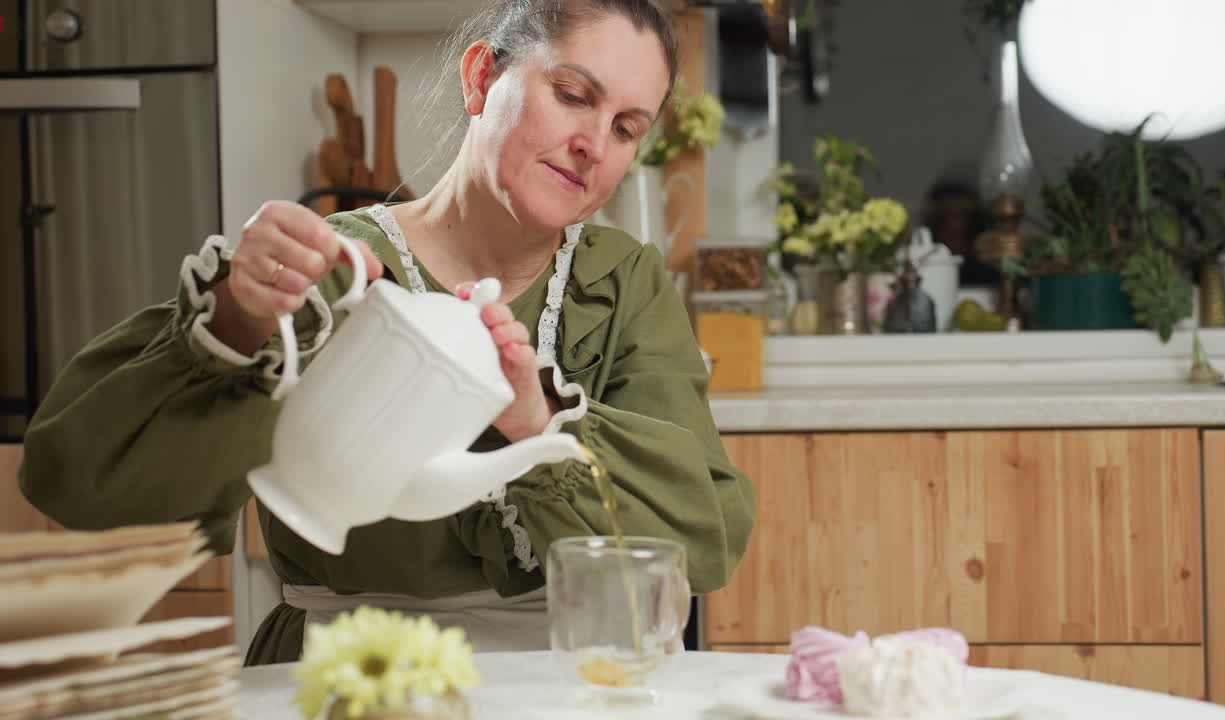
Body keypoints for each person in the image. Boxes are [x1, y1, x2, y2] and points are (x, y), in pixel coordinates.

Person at [18, 0, 755, 664]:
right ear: (479, 78)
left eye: (627, 128)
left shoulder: (624, 282)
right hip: (348, 679)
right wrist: (235, 325)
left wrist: (538, 422)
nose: (595, 143)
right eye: (571, 95)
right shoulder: (330, 266)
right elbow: (82, 489)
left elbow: (703, 540)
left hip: (565, 679)